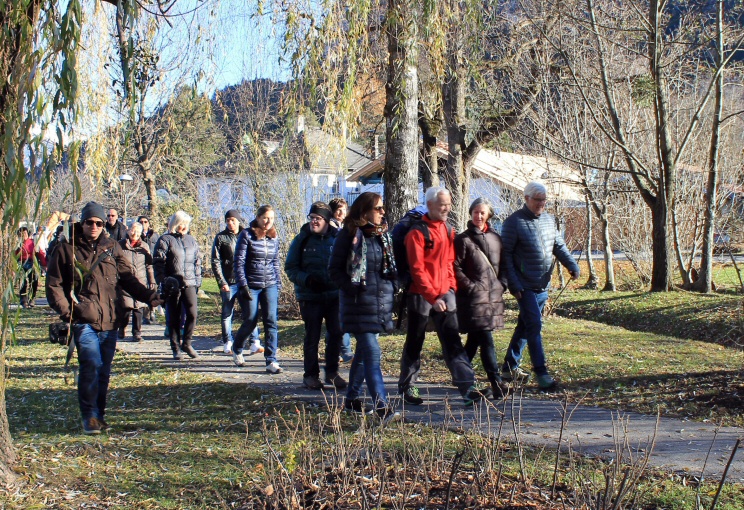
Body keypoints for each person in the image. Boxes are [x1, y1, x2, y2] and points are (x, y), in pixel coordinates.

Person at [45, 201, 161, 434]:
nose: (95, 226)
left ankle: (99, 414)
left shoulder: (111, 247)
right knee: (91, 365)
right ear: (82, 222)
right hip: (83, 319)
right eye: (90, 222)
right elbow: (54, 286)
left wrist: (150, 297)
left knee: (104, 371)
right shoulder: (67, 247)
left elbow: (128, 279)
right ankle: (89, 416)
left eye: (99, 223)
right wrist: (69, 313)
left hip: (109, 320)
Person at [397, 186, 492, 406]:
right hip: (420, 296)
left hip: (444, 294)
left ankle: (468, 388)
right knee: (415, 341)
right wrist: (433, 297)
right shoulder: (416, 233)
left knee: (452, 341)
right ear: (430, 204)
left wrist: (450, 289)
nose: (447, 208)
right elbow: (417, 269)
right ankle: (407, 386)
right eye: (442, 204)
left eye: (448, 204)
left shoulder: (448, 230)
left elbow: (449, 263)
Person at [500, 182, 580, 391]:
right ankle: (541, 372)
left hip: (542, 283)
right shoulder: (513, 222)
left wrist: (571, 265)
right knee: (534, 325)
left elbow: (558, 246)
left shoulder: (548, 220)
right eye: (538, 199)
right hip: (523, 286)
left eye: (544, 200)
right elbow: (505, 256)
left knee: (525, 326)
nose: (542, 204)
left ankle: (509, 367)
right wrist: (514, 284)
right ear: (526, 198)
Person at [286, 202, 346, 390]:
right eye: (311, 218)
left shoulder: (337, 239)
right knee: (312, 336)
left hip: (334, 295)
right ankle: (310, 375)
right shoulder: (301, 240)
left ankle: (332, 373)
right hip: (310, 296)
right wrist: (307, 280)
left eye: (317, 218)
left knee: (336, 333)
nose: (314, 222)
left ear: (327, 220)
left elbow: (348, 264)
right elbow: (291, 268)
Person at [454, 198, 509, 399]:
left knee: (475, 340)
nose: (478, 216)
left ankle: (460, 374)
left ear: (489, 215)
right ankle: (496, 382)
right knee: (486, 339)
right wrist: (470, 287)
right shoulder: (462, 239)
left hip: (492, 297)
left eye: (482, 213)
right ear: (470, 214)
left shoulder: (496, 238)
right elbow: (455, 267)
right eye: (475, 212)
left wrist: (502, 284)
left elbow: (504, 264)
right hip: (472, 299)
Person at [232, 205, 283, 374]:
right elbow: (238, 262)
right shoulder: (246, 235)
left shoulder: (273, 237)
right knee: (250, 320)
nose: (268, 222)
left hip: (270, 283)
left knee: (271, 321)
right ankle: (237, 347)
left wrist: (278, 283)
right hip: (251, 285)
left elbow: (275, 262)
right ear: (258, 217)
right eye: (265, 218)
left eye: (272, 218)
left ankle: (271, 360)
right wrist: (243, 285)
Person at [212, 209, 264, 355]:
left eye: (232, 220)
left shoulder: (246, 234)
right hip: (228, 281)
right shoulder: (221, 238)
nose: (230, 223)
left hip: (245, 281)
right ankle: (228, 341)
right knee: (227, 313)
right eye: (227, 220)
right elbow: (215, 260)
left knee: (250, 313)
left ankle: (254, 342)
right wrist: (221, 281)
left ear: (238, 221)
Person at [154, 211, 203, 360]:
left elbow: (197, 262)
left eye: (186, 224)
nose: (184, 227)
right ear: (175, 224)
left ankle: (187, 343)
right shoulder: (165, 239)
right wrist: (163, 280)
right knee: (173, 317)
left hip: (190, 283)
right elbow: (158, 263)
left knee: (192, 314)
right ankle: (175, 347)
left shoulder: (191, 240)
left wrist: (198, 282)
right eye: (182, 224)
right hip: (172, 284)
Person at [118, 222, 156, 342]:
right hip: (125, 281)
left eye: (138, 232)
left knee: (138, 309)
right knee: (125, 308)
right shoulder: (120, 245)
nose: (135, 234)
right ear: (128, 230)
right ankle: (122, 328)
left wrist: (152, 280)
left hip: (140, 280)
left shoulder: (144, 246)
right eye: (133, 231)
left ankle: (137, 333)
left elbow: (149, 265)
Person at [328, 197, 353, 363]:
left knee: (340, 317)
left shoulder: (348, 228)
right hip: (333, 279)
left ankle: (338, 349)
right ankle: (344, 351)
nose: (341, 214)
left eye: (344, 210)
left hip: (345, 277)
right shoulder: (331, 229)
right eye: (338, 210)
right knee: (337, 317)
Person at [16, 227, 38, 308]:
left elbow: (39, 252)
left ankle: (32, 298)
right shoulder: (18, 244)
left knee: (34, 281)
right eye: (21, 234)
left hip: (31, 262)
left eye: (25, 233)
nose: (23, 235)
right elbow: (14, 255)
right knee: (23, 282)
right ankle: (23, 300)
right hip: (21, 263)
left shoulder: (32, 242)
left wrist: (44, 263)